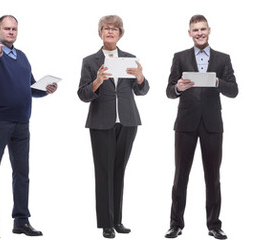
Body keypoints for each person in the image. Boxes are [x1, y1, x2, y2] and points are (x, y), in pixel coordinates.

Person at [0, 15, 56, 239]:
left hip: (22, 122)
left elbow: (30, 87)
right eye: (6, 29)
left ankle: (21, 221)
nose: (10, 32)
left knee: (22, 174)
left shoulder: (22, 56)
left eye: (14, 29)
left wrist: (45, 89)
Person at [164, 14, 237, 240]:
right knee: (180, 176)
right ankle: (175, 224)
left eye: (203, 29)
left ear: (209, 30)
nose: (199, 33)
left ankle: (214, 225)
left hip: (212, 124)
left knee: (213, 177)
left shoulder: (223, 59)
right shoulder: (180, 57)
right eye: (195, 30)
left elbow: (233, 90)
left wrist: (217, 81)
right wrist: (178, 87)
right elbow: (169, 91)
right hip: (186, 124)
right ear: (190, 33)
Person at [76, 15, 149, 239]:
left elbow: (142, 91)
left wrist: (140, 77)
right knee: (104, 173)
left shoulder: (130, 59)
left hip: (127, 121)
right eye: (106, 28)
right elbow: (82, 94)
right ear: (100, 32)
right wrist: (97, 81)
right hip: (101, 122)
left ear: (120, 33)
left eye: (114, 29)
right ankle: (106, 223)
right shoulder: (90, 61)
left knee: (119, 171)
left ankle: (117, 220)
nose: (110, 31)